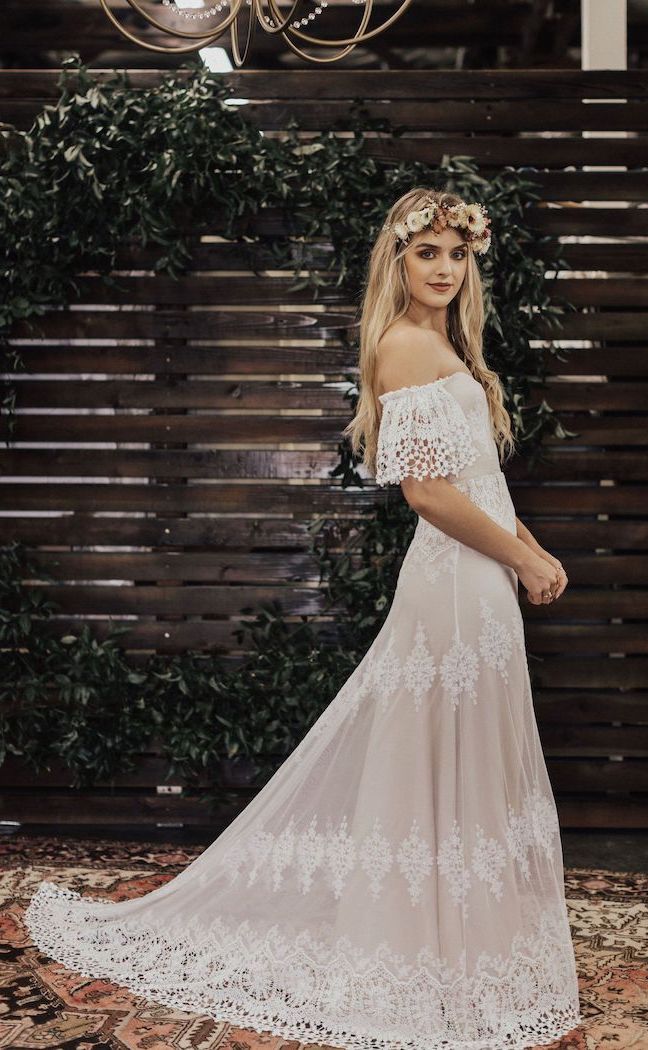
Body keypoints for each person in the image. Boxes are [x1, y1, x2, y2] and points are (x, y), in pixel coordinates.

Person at [23, 188, 582, 1049]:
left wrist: (530, 554)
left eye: (456, 255)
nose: (442, 268)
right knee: (439, 751)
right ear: (397, 261)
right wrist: (524, 558)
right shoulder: (402, 345)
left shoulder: (446, 343)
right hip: (457, 582)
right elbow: (429, 494)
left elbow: (482, 486)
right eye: (425, 252)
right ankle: (416, 956)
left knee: (467, 753)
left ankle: (462, 947)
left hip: (482, 578)